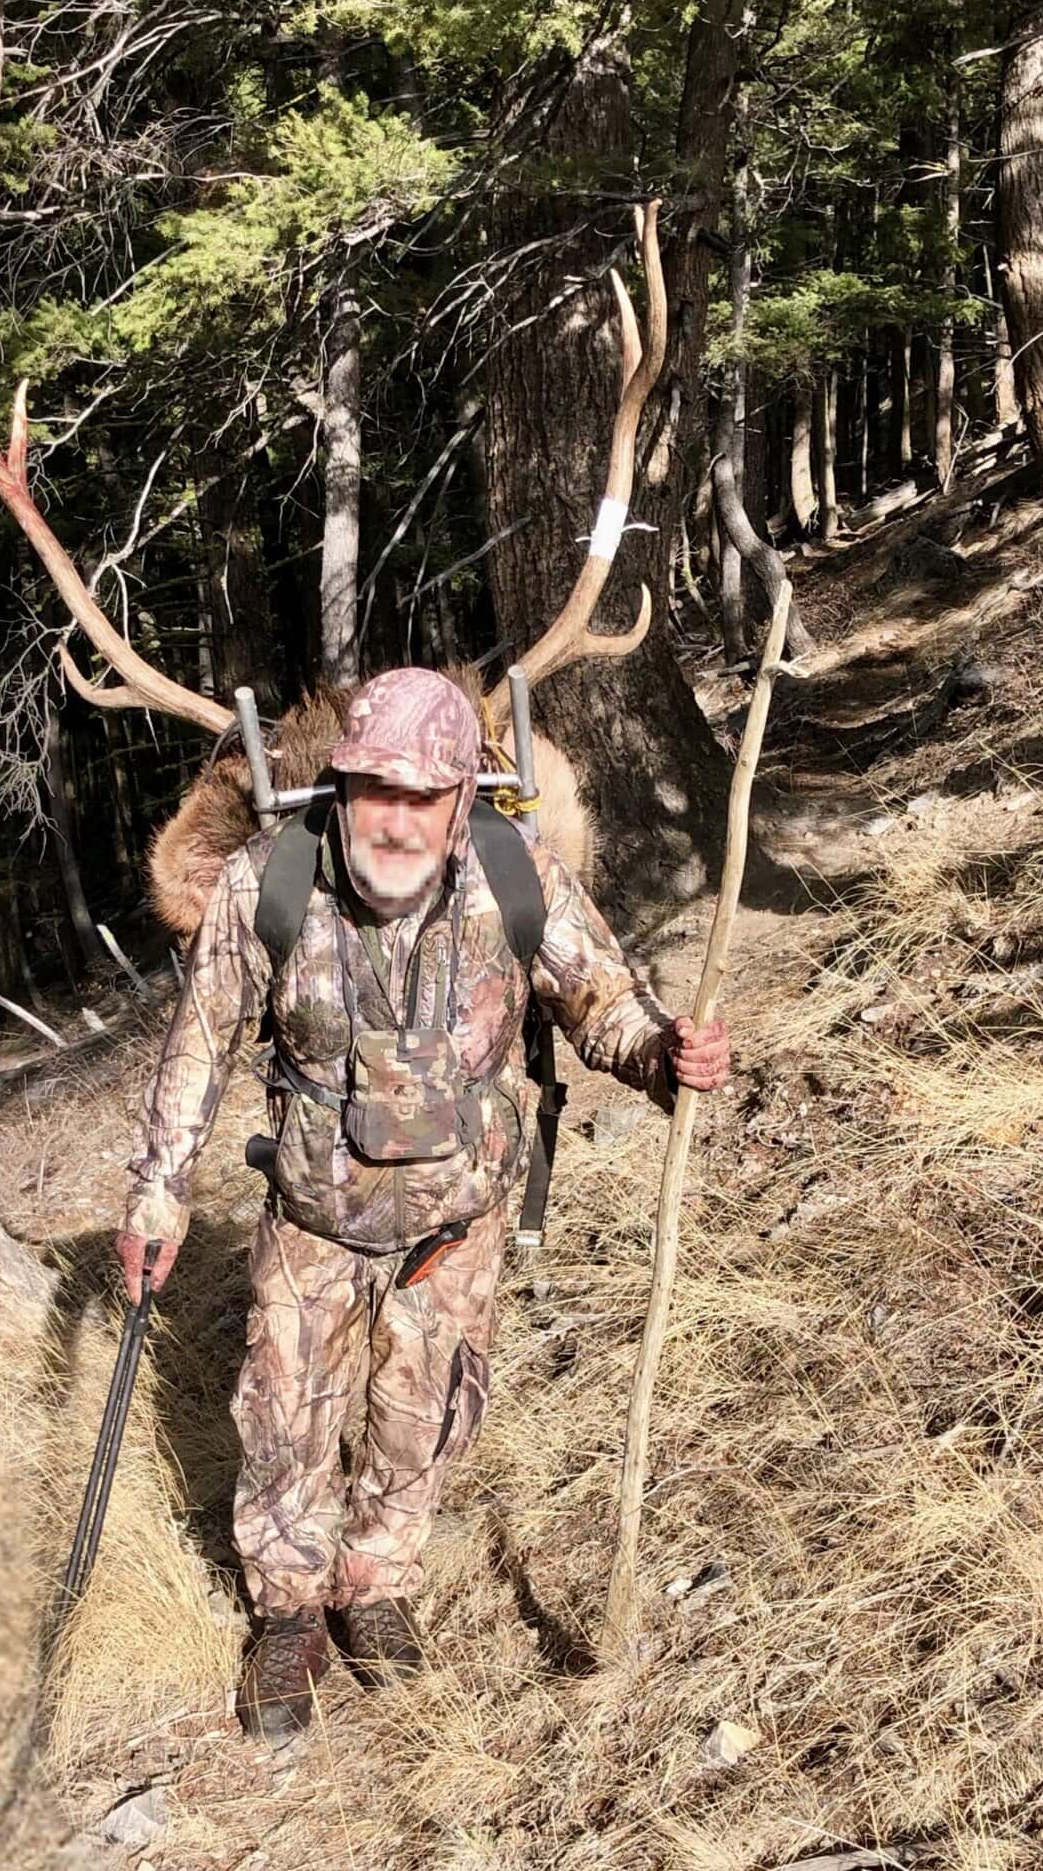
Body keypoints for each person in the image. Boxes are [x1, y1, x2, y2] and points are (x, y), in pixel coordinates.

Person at [117, 667, 731, 1746]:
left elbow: (605, 1007)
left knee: (425, 1416)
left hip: (458, 1226)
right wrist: (158, 1195)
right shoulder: (271, 882)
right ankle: (289, 1617)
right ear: (343, 785)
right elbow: (200, 1045)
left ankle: (379, 1585)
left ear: (462, 797)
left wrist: (666, 1055)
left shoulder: (515, 874)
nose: (397, 820)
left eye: (424, 796)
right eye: (377, 791)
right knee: (285, 1423)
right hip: (312, 1224)